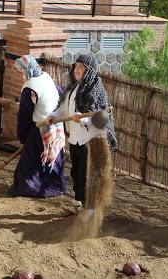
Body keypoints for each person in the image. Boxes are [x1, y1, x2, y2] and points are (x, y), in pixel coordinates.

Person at [46, 54, 116, 208]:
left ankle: (89, 208)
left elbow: (102, 118)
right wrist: (53, 116)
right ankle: (78, 202)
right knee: (76, 173)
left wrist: (83, 118)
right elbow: (64, 107)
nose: (77, 70)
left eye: (81, 67)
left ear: (89, 70)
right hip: (75, 138)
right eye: (76, 66)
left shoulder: (96, 91)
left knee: (87, 174)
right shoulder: (73, 88)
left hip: (90, 140)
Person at [8, 55, 66, 198]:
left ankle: (32, 188)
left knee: (31, 162)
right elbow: (60, 92)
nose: (20, 73)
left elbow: (25, 113)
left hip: (42, 128)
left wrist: (23, 135)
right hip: (56, 126)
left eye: (21, 70)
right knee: (53, 160)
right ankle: (55, 187)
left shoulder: (30, 86)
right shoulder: (46, 76)